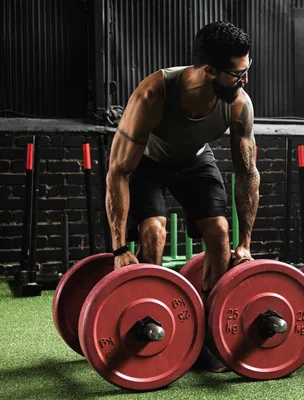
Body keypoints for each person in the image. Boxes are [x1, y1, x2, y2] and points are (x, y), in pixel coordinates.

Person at [105, 21, 259, 371]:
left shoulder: (238, 104)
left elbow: (247, 172)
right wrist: (119, 248)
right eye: (237, 74)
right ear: (209, 71)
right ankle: (150, 320)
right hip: (149, 161)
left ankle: (204, 333)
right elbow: (119, 171)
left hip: (193, 160)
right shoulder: (153, 95)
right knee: (153, 233)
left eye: (247, 69)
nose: (245, 80)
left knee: (220, 233)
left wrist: (245, 244)